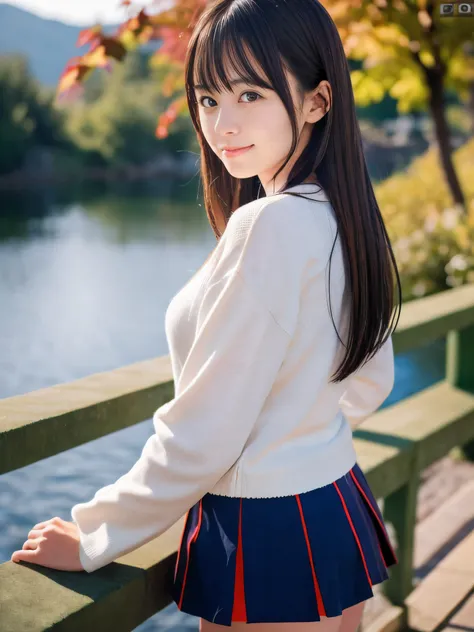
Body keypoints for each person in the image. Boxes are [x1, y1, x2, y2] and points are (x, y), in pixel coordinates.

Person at [11, 0, 402, 630]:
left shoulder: (269, 224)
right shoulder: (345, 215)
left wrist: (92, 538)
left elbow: (203, 436)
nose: (222, 123)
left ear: (316, 101)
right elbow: (369, 380)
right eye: (208, 98)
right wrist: (298, 430)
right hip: (331, 501)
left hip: (268, 525)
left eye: (250, 94)